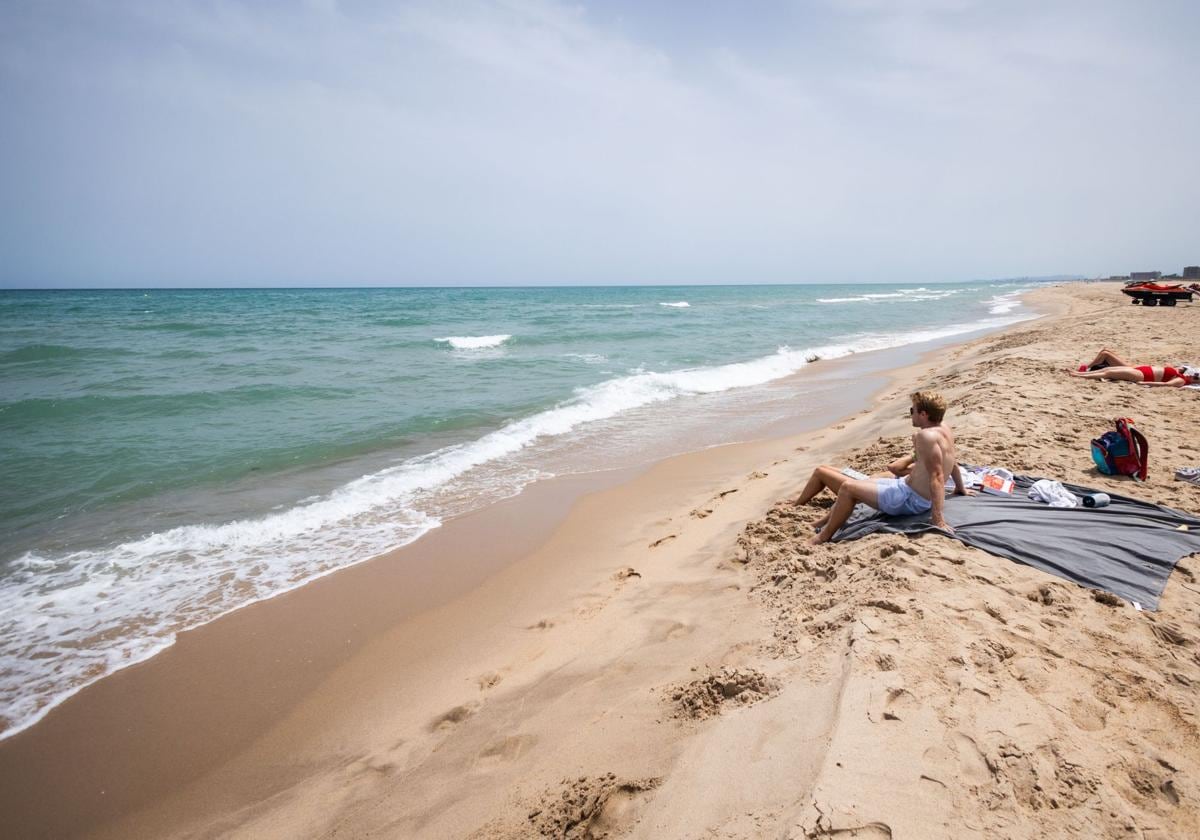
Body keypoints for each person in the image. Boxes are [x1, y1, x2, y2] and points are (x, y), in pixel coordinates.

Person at [794, 391, 971, 545]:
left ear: (924, 414)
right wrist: (960, 488)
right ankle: (821, 523)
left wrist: (938, 519)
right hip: (906, 487)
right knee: (868, 481)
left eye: (912, 411)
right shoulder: (943, 428)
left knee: (848, 487)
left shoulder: (926, 436)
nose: (911, 415)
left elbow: (937, 476)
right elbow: (952, 461)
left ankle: (822, 537)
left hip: (911, 500)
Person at [1070, 349, 1199, 386]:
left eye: (1196, 377)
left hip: (1142, 375)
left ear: (1196, 381)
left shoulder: (1181, 381)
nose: (1194, 375)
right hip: (1141, 369)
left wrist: (1144, 383)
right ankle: (1080, 373)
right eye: (1196, 374)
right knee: (1105, 370)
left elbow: (1164, 385)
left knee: (1108, 373)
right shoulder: (1182, 373)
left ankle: (1078, 375)